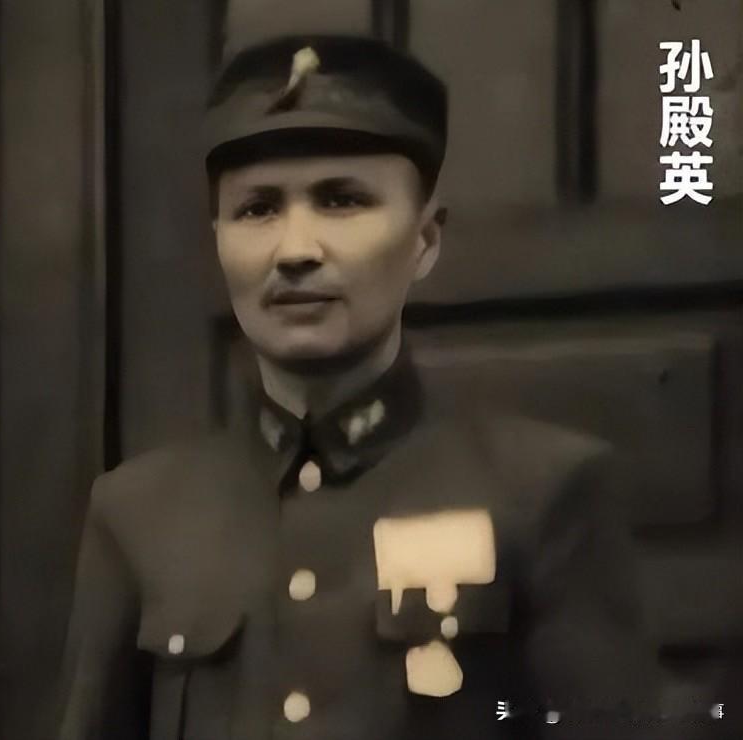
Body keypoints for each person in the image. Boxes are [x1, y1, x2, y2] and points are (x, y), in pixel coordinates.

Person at [54, 34, 665, 740]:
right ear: (217, 238)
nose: (295, 250)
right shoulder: (139, 514)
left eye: (342, 201)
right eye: (258, 209)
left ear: (425, 240)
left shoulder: (545, 491)